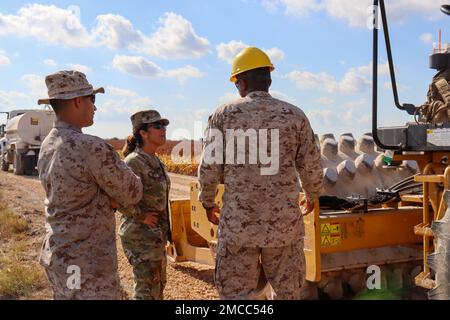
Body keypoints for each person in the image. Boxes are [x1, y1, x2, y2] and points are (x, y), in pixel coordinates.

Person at [198, 47, 323, 300]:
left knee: (237, 295)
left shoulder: (223, 115)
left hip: (238, 227)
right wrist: (312, 194)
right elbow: (311, 165)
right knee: (287, 293)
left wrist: (208, 202)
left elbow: (209, 167)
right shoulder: (295, 116)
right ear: (269, 80)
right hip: (284, 227)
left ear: (241, 82)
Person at [37, 70, 143, 300]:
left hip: (58, 255)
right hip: (85, 264)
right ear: (77, 101)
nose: (95, 107)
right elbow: (133, 192)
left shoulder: (47, 144)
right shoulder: (90, 147)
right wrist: (111, 197)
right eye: (92, 99)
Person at [119, 110, 171, 300]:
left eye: (163, 125)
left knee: (157, 285)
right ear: (143, 132)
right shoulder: (133, 162)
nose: (163, 129)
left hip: (154, 236)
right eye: (157, 126)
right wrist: (141, 216)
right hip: (140, 236)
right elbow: (118, 198)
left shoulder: (155, 161)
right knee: (146, 289)